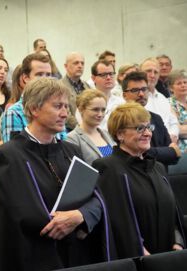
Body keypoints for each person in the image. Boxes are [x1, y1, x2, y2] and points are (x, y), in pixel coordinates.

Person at [0, 77, 108, 271]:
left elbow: (97, 197)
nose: (65, 113)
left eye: (66, 106)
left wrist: (80, 216)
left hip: (76, 257)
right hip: (37, 261)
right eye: (57, 106)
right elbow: (23, 211)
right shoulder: (8, 155)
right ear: (34, 109)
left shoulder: (71, 151)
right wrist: (69, 221)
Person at [93, 102, 185, 258]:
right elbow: (117, 221)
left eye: (149, 128)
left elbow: (173, 213)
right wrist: (139, 251)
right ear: (120, 134)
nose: (148, 133)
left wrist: (178, 242)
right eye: (139, 128)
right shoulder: (108, 167)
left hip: (170, 256)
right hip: (137, 260)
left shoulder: (158, 168)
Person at [122, 71, 180, 167]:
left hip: (161, 177)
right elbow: (137, 153)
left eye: (144, 89)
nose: (141, 94)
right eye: (135, 90)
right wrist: (167, 152)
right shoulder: (122, 120)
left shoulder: (156, 118)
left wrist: (152, 152)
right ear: (124, 95)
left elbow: (174, 156)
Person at [1, 53, 52, 142]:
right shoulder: (14, 113)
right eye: (39, 74)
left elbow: (63, 146)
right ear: (25, 78)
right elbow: (13, 153)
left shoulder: (55, 110)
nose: (45, 80)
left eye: (48, 75)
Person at [67, 89, 115, 164]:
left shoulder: (107, 134)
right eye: (95, 110)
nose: (100, 114)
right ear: (81, 109)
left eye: (103, 110)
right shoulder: (72, 138)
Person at [140, 57, 179, 141]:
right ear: (140, 73)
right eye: (148, 71)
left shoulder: (163, 98)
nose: (152, 75)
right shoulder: (138, 98)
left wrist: (172, 136)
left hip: (169, 144)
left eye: (156, 72)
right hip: (149, 144)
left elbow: (174, 123)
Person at [88, 59, 125, 130]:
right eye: (103, 75)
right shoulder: (87, 102)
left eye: (111, 74)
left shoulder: (121, 103)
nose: (108, 78)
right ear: (93, 78)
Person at [60, 52, 90, 130]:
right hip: (69, 132)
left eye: (82, 63)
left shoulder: (87, 86)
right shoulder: (59, 87)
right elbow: (65, 114)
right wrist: (82, 128)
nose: (80, 66)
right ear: (66, 66)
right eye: (76, 63)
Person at [168, 70, 187, 152]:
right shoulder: (168, 103)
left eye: (185, 82)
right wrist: (180, 129)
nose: (183, 85)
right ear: (171, 88)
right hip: (181, 148)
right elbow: (177, 129)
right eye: (179, 83)